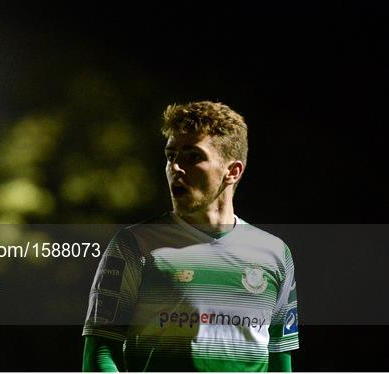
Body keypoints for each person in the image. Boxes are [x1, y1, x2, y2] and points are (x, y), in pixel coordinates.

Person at [82, 101, 299, 371]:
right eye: (171, 155)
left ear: (232, 171)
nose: (175, 167)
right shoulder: (134, 245)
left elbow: (280, 359)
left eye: (192, 156)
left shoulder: (275, 254)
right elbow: (101, 352)